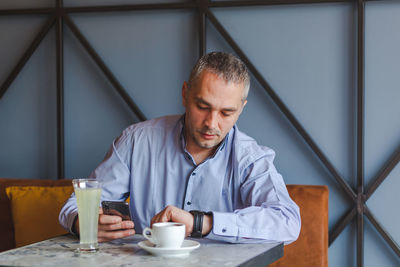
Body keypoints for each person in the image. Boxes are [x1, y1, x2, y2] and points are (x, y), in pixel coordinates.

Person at [59, 52, 301, 244]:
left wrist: (201, 223)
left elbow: (287, 221)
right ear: (185, 94)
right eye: (203, 106)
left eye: (227, 112)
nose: (211, 123)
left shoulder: (250, 159)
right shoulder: (137, 141)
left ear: (241, 108)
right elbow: (74, 206)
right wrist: (84, 222)